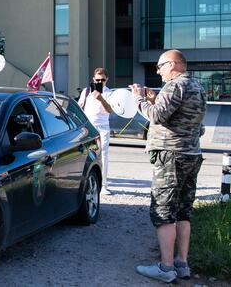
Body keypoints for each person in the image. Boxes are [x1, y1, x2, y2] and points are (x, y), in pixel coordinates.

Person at [132, 50, 207, 283]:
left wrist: (140, 99)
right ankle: (181, 263)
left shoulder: (175, 86)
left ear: (173, 65)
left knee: (164, 212)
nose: (158, 70)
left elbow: (155, 116)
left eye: (160, 66)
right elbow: (188, 119)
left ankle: (165, 268)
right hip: (191, 154)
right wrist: (157, 99)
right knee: (183, 211)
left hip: (171, 156)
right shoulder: (197, 86)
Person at [77, 68, 116, 194]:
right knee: (85, 154)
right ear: (93, 79)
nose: (100, 82)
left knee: (103, 154)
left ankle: (104, 184)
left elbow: (111, 110)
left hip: (103, 126)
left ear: (107, 80)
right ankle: (84, 180)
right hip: (88, 127)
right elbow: (80, 106)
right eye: (98, 79)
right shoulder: (87, 90)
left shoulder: (109, 93)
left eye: (103, 79)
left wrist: (101, 99)